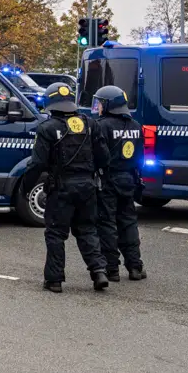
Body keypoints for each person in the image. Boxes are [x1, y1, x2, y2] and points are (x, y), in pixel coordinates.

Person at [32, 82, 108, 293]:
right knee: (87, 229)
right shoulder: (91, 124)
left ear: (50, 103)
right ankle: (99, 271)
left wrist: (27, 187)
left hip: (61, 188)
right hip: (87, 187)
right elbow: (104, 158)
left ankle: (54, 280)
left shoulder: (47, 128)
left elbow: (38, 163)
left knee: (56, 233)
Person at [91, 85, 145, 282]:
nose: (97, 107)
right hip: (129, 179)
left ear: (108, 105)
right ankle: (135, 267)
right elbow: (140, 157)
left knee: (107, 224)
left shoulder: (101, 126)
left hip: (107, 179)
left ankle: (111, 269)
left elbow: (96, 155)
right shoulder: (136, 126)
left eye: (100, 103)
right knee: (128, 222)